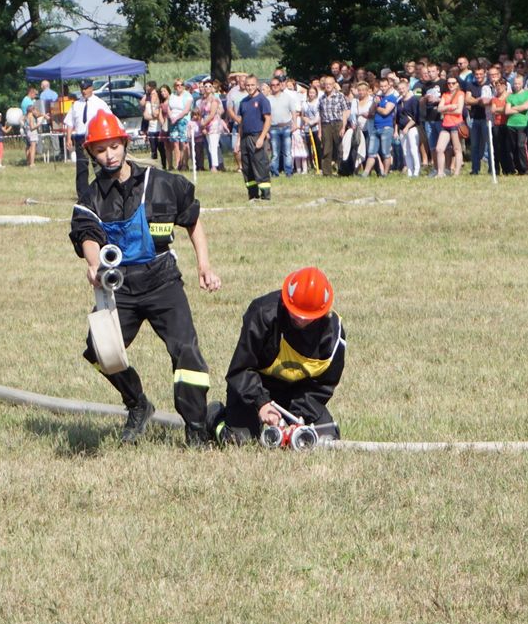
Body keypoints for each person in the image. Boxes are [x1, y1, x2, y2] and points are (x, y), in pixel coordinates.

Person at [69, 110, 222, 446]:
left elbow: (192, 220)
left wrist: (204, 265)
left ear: (125, 144)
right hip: (119, 288)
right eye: (100, 150)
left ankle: (196, 428)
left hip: (162, 281)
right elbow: (87, 235)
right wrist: (94, 265)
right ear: (90, 152)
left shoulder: (162, 183)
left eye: (114, 146)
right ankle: (138, 404)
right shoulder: (90, 198)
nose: (109, 155)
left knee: (186, 352)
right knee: (99, 350)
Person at [210, 267, 346, 445]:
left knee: (324, 439)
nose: (301, 320)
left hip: (297, 396)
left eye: (307, 317)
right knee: (239, 440)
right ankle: (215, 417)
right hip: (256, 389)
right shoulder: (262, 314)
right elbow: (240, 370)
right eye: (295, 313)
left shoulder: (333, 336)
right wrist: (261, 402)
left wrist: (299, 417)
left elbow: (322, 386)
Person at [237, 75, 272, 200]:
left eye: (252, 85)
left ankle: (265, 195)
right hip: (245, 138)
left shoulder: (262, 100)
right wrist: (238, 140)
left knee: (260, 166)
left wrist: (261, 138)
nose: (250, 87)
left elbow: (268, 119)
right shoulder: (243, 102)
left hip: (257, 136)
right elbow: (241, 122)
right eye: (247, 85)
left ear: (257, 85)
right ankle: (252, 195)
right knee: (247, 167)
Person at [63, 79, 111, 159]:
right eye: (82, 89)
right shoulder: (76, 104)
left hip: (95, 137)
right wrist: (68, 138)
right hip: (80, 138)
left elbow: (109, 119)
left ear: (91, 88)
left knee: (97, 161)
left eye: (86, 89)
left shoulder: (100, 103)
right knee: (81, 163)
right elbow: (70, 122)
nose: (83, 91)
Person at [363, 76, 398, 177]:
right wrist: (375, 103)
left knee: (385, 152)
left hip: (386, 128)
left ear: (389, 86)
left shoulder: (392, 98)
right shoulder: (378, 98)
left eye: (385, 86)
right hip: (376, 127)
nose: (383, 88)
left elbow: (386, 112)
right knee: (371, 152)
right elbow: (371, 112)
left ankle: (385, 173)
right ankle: (365, 173)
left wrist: (377, 107)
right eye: (381, 86)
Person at [267, 77, 300, 177]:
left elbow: (293, 111)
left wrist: (295, 124)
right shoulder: (267, 99)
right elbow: (266, 116)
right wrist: (266, 130)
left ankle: (288, 172)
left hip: (286, 127)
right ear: (270, 86)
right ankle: (274, 172)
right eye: (273, 85)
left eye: (277, 84)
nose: (275, 86)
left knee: (287, 152)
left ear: (280, 85)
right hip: (273, 128)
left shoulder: (287, 97)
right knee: (275, 153)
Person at [318, 76, 349, 176]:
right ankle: (327, 172)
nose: (328, 86)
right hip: (326, 125)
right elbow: (320, 115)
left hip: (338, 123)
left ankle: (342, 170)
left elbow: (345, 111)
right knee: (326, 149)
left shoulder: (340, 96)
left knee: (340, 148)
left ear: (334, 84)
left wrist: (343, 127)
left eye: (330, 84)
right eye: (326, 84)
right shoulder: (322, 98)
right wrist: (320, 131)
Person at [435, 77, 465, 177]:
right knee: (439, 149)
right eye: (449, 83)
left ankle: (456, 172)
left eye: (453, 83)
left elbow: (459, 111)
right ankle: (440, 172)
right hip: (446, 125)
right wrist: (449, 107)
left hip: (456, 124)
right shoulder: (445, 94)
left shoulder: (460, 94)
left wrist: (445, 111)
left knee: (457, 149)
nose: (451, 85)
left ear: (457, 84)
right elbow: (439, 108)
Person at [504, 74, 528, 175]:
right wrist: (519, 108)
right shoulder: (510, 96)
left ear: (522, 83)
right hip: (511, 124)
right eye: (515, 83)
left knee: (521, 145)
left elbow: (526, 107)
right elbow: (507, 111)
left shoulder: (527, 94)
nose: (516, 85)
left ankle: (526, 168)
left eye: (518, 83)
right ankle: (519, 169)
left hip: (523, 124)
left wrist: (513, 108)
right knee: (513, 147)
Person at [166, 78, 193, 170]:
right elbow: (168, 108)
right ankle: (178, 163)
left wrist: (177, 118)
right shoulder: (172, 95)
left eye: (181, 84)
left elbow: (186, 110)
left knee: (184, 142)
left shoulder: (188, 96)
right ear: (174, 86)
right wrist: (171, 117)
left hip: (183, 120)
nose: (179, 86)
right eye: (177, 85)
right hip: (172, 120)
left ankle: (185, 163)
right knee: (175, 142)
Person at [24, 103, 40, 167]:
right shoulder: (31, 117)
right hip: (32, 133)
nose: (35, 111)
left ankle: (28, 161)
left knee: (29, 148)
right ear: (32, 110)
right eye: (34, 110)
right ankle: (32, 163)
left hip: (28, 133)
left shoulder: (26, 116)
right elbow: (32, 127)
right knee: (33, 149)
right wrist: (38, 125)